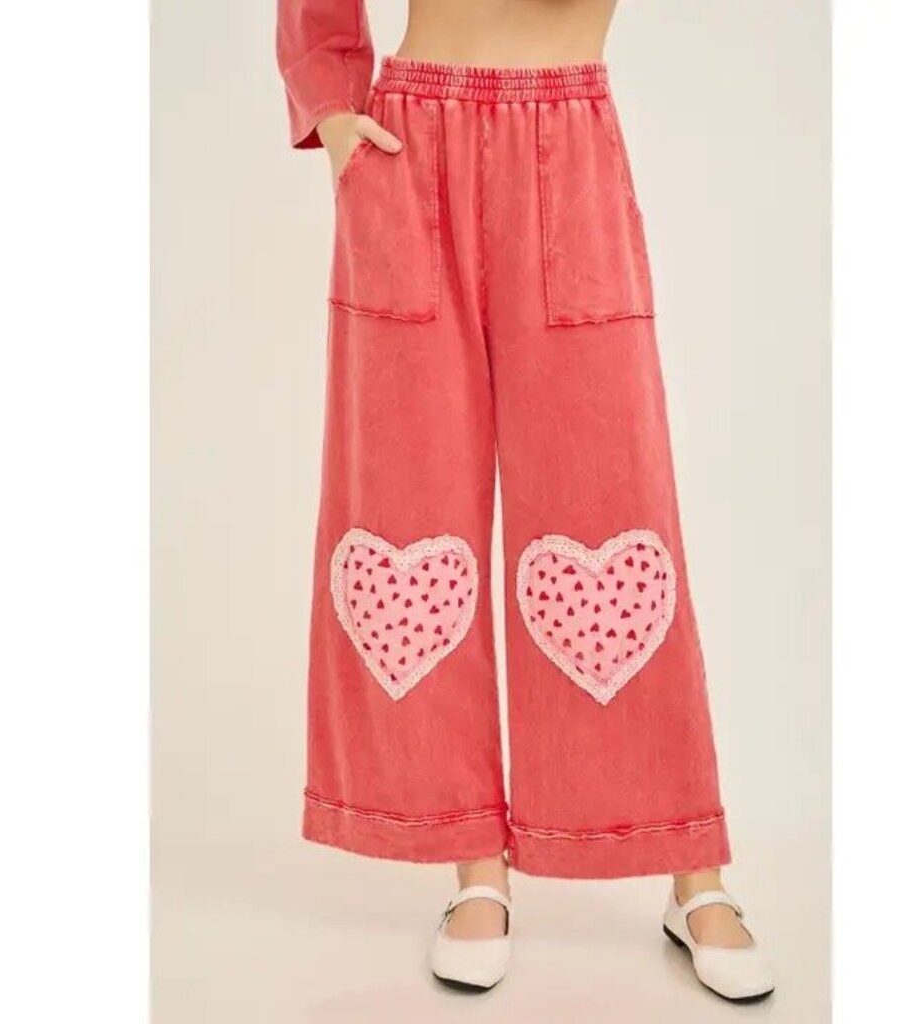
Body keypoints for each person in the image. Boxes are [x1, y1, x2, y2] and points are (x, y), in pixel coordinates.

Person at [276, 0, 774, 1003]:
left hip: (568, 134)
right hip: (408, 145)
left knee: (615, 508)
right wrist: (332, 112)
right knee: (411, 507)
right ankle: (474, 865)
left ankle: (691, 866)